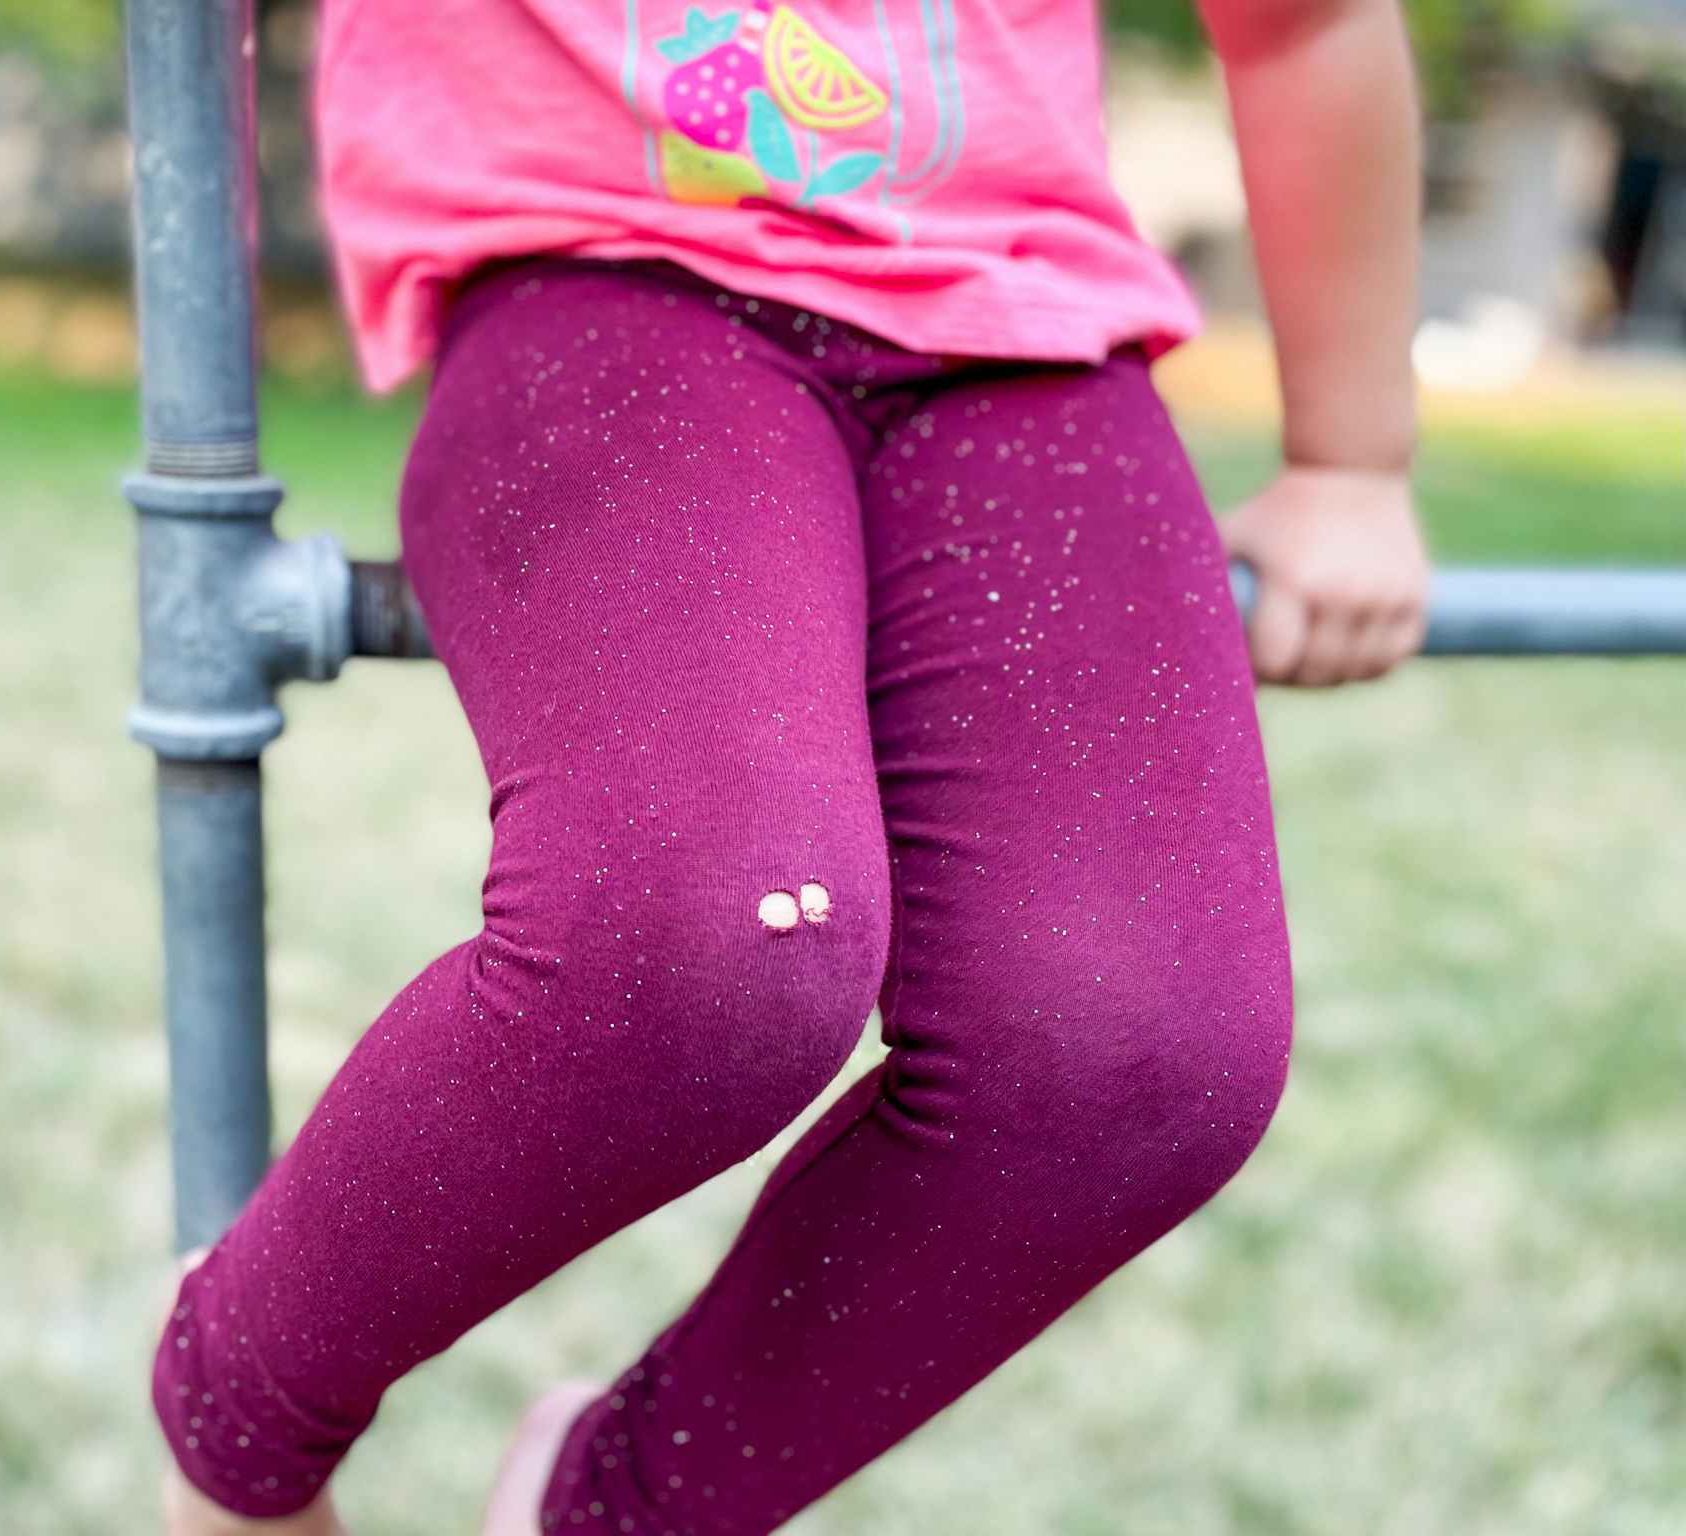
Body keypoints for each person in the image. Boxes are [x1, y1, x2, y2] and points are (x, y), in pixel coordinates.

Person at [153, 0, 1430, 1530]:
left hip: (1024, 320)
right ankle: (239, 1420)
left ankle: (621, 1506)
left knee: (1136, 1060)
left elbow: (1306, 24)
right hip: (600, 260)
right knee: (707, 937)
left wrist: (1352, 459)